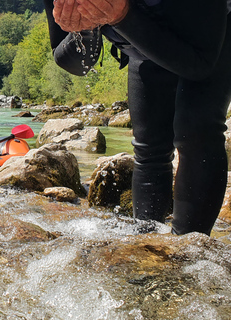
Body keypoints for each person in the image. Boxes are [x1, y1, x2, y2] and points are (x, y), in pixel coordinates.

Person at [44, 0, 231, 235]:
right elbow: (74, 63)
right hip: (141, 38)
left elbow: (200, 66)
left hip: (207, 34)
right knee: (149, 146)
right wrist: (86, 25)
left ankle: (190, 253)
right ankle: (145, 244)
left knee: (196, 132)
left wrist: (121, 16)